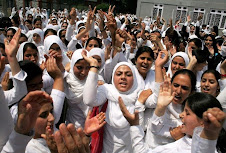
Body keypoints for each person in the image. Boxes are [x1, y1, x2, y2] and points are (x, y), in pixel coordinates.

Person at [119, 87, 226, 153]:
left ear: (203, 122)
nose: (181, 115)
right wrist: (135, 126)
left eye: (187, 113)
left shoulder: (207, 148)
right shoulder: (182, 142)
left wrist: (209, 134)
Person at [145, 69, 196, 148]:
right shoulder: (160, 99)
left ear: (191, 92)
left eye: (184, 88)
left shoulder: (193, 113)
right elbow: (154, 129)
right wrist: (161, 106)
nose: (178, 91)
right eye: (176, 85)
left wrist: (181, 139)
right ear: (170, 85)